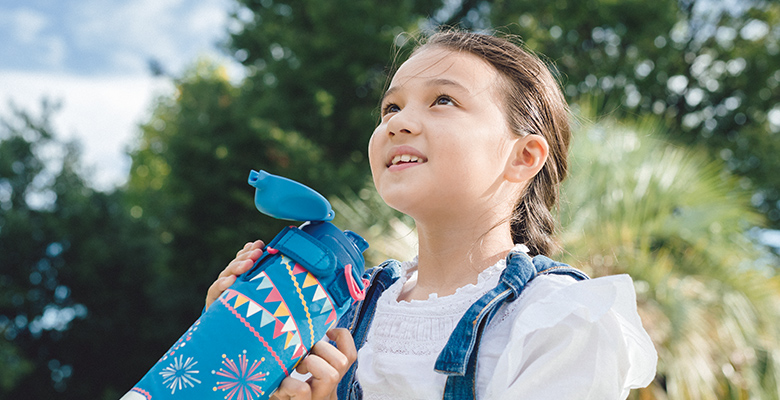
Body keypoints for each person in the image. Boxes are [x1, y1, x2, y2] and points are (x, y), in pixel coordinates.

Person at [205, 30, 657, 399]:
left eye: (443, 100)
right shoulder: (328, 310)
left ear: (523, 157)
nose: (397, 123)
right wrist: (224, 344)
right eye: (392, 107)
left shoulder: (561, 319)